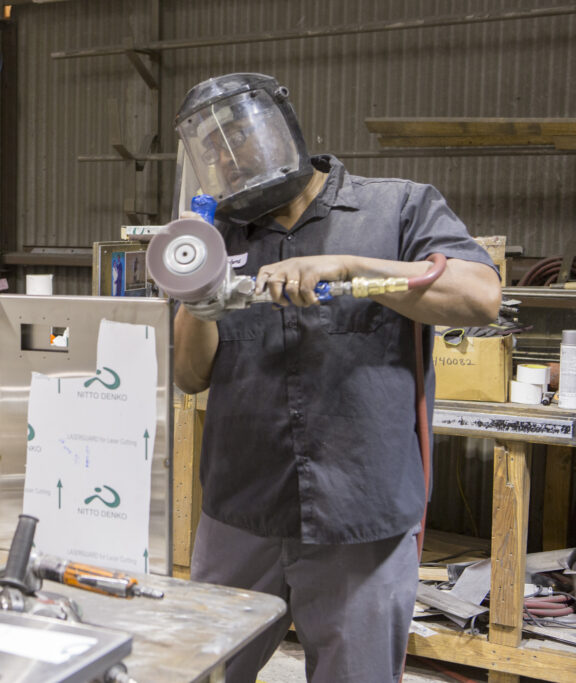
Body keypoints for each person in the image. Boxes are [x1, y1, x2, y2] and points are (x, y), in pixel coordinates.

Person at [171, 73, 502, 682]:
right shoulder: (216, 240)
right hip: (240, 509)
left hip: (359, 515)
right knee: (204, 672)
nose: (226, 156)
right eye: (210, 148)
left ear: (280, 128)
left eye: (236, 135)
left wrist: (350, 267)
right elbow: (191, 377)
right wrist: (199, 301)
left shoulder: (397, 207)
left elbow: (480, 297)